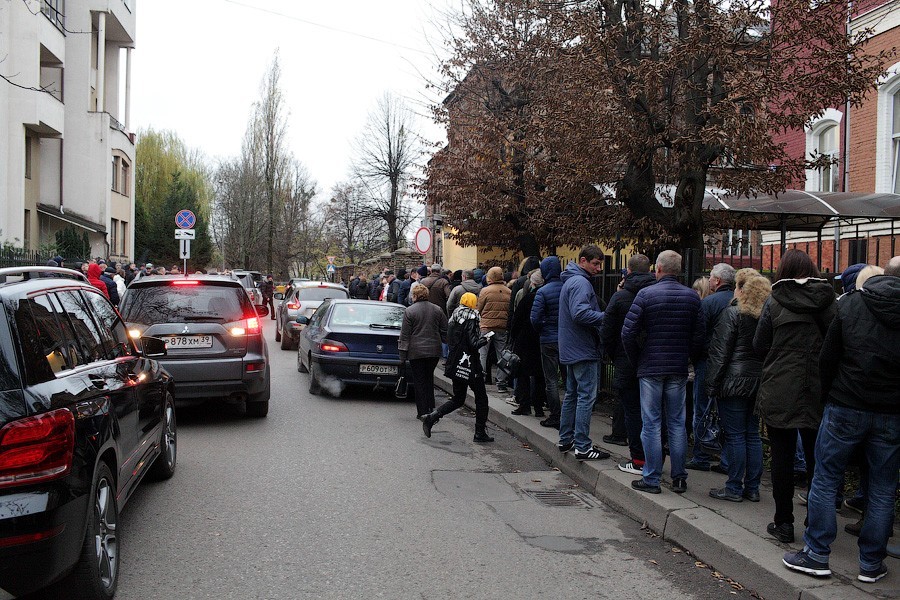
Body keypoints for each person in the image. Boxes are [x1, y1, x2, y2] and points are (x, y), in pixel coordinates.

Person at [782, 256, 900, 583]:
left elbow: (828, 356)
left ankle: (817, 553)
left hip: (846, 403)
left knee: (826, 476)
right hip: (891, 412)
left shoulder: (850, 305)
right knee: (882, 486)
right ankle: (871, 563)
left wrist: (829, 397)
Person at [754, 249, 836, 543]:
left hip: (780, 387)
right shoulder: (829, 303)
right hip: (817, 387)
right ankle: (816, 522)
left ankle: (784, 523)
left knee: (782, 458)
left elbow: (759, 344)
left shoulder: (774, 302)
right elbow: (837, 346)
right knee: (818, 459)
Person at [622, 250, 705, 494]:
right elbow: (699, 335)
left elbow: (627, 333)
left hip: (650, 366)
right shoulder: (692, 297)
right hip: (678, 367)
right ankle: (679, 477)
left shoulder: (646, 295)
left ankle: (652, 477)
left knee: (651, 423)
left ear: (657, 268)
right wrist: (688, 356)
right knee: (677, 423)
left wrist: (637, 358)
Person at [705, 271, 771, 503]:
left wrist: (712, 385)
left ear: (742, 291)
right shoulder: (767, 316)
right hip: (758, 382)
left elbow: (719, 354)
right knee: (752, 434)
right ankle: (752, 487)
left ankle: (734, 486)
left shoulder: (733, 314)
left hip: (733, 382)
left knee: (735, 436)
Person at [601, 253, 656, 475]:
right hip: (654, 360)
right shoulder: (657, 293)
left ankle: (639, 459)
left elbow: (607, 330)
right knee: (654, 412)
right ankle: (655, 458)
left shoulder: (621, 296)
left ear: (629, 271)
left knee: (632, 410)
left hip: (625, 360)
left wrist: (615, 355)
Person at [557, 245, 609, 461]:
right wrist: (605, 316)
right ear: (583, 261)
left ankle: (566, 438)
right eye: (595, 264)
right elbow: (580, 314)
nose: (598, 269)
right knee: (586, 396)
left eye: (600, 264)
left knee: (573, 394)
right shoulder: (581, 282)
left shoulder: (571, 280)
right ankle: (583, 446)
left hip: (571, 346)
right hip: (582, 348)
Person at [422, 292, 495, 442]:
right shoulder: (472, 318)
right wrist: (486, 338)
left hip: (456, 363)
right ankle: (479, 432)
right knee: (482, 399)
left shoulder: (454, 316)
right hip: (471, 366)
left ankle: (432, 417)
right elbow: (473, 344)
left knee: (458, 398)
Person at [687, 263, 736, 473]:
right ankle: (726, 460)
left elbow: (698, 334)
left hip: (707, 362)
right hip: (734, 364)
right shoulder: (738, 301)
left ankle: (701, 455)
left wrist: (695, 357)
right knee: (728, 415)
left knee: (702, 410)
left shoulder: (708, 303)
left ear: (716, 281)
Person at [398, 284, 448, 419]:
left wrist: (402, 356)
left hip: (416, 352)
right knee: (428, 378)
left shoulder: (410, 311)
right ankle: (431, 407)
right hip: (433, 351)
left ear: (414, 296)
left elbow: (405, 335)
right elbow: (445, 330)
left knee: (419, 381)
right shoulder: (437, 310)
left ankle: (422, 412)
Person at [531, 256, 565, 429]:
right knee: (569, 380)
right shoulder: (567, 287)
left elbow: (535, 318)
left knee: (550, 380)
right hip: (567, 339)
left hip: (548, 339)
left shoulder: (542, 292)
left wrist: (543, 328)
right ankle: (568, 414)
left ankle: (555, 414)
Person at [509, 270, 546, 416]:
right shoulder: (547, 296)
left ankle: (524, 404)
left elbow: (516, 319)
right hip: (540, 339)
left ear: (533, 283)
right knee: (539, 375)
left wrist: (513, 336)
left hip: (525, 340)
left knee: (523, 373)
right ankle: (538, 407)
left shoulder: (528, 298)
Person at [477, 267, 512, 392]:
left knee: (483, 353)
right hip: (502, 327)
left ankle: (480, 379)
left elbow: (478, 308)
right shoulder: (508, 291)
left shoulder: (485, 291)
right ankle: (501, 382)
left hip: (486, 326)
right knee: (501, 354)